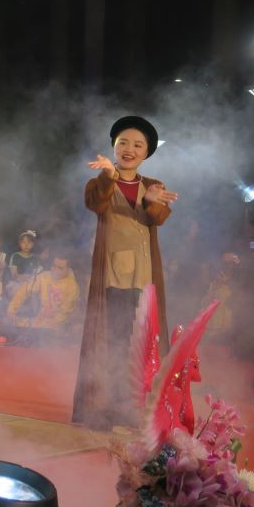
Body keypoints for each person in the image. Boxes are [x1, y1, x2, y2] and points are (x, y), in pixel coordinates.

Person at [72, 116, 178, 430]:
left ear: (147, 152)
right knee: (113, 340)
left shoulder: (153, 185)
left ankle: (135, 406)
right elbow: (97, 204)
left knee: (142, 344)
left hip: (144, 277)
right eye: (123, 143)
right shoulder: (99, 182)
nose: (129, 149)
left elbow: (159, 217)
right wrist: (109, 175)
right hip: (113, 276)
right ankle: (104, 406)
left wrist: (150, 201)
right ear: (114, 147)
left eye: (138, 145)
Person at [6, 255, 80, 345]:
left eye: (60, 268)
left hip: (59, 326)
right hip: (40, 321)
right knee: (14, 324)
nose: (55, 270)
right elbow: (24, 291)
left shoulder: (72, 286)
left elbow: (64, 313)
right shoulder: (44, 276)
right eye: (54, 266)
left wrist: (45, 323)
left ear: (68, 270)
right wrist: (11, 310)